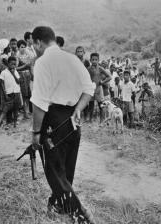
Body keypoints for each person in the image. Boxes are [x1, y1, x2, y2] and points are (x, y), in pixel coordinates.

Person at [31, 26, 96, 224]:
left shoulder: (43, 62)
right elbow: (88, 90)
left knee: (54, 172)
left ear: (38, 43)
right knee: (66, 170)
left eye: (34, 45)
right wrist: (78, 108)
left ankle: (81, 214)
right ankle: (58, 204)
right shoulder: (73, 59)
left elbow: (40, 102)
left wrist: (35, 133)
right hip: (73, 120)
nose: (35, 49)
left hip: (54, 120)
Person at [0, 56, 21, 132]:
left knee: (16, 110)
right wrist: (5, 94)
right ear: (8, 64)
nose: (13, 66)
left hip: (16, 93)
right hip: (9, 94)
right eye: (12, 64)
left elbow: (18, 82)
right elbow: (1, 84)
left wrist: (13, 74)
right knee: (4, 110)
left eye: (15, 64)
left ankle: (15, 124)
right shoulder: (4, 72)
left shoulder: (15, 71)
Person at [88, 53, 111, 123]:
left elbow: (109, 77)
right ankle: (90, 120)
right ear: (90, 60)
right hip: (91, 89)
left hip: (99, 89)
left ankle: (101, 120)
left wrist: (102, 82)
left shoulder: (100, 68)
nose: (94, 61)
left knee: (101, 105)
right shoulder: (88, 69)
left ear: (98, 60)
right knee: (91, 105)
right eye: (93, 59)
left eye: (96, 60)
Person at [17, 39, 32, 119]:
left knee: (28, 94)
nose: (23, 48)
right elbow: (15, 68)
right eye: (21, 47)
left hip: (27, 75)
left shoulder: (27, 53)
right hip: (22, 75)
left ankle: (28, 111)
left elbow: (30, 64)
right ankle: (25, 112)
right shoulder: (17, 55)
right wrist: (24, 66)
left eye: (24, 47)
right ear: (18, 48)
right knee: (23, 94)